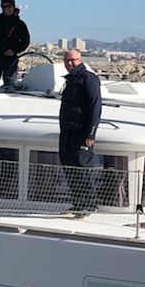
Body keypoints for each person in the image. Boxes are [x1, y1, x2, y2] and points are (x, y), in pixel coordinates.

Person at [57, 48, 102, 213]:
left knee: (81, 168)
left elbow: (95, 106)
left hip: (81, 132)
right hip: (67, 130)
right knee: (69, 167)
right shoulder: (70, 80)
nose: (70, 63)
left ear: (80, 60)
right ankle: (78, 203)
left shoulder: (88, 79)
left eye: (73, 60)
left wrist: (91, 133)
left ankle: (88, 206)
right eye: (67, 60)